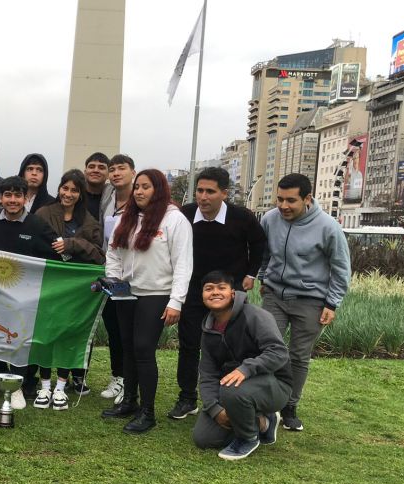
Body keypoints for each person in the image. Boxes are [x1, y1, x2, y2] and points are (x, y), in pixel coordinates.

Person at [170, 167, 266, 421]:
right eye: (199, 190)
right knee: (189, 344)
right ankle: (187, 397)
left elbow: (259, 244)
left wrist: (251, 274)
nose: (203, 197)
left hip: (229, 292)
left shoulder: (242, 217)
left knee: (231, 346)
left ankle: (229, 396)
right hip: (194, 289)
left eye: (210, 192)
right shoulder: (186, 214)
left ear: (224, 193)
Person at [102, 168, 193, 434]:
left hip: (156, 294)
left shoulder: (174, 220)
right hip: (127, 293)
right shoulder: (126, 218)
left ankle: (148, 412)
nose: (140, 192)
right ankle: (129, 401)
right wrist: (114, 280)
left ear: (159, 190)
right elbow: (114, 251)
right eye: (137, 187)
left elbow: (183, 264)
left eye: (146, 187)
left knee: (143, 349)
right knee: (128, 347)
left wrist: (176, 301)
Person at [258, 173, 351, 432]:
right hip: (275, 295)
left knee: (299, 355)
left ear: (307, 199)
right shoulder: (269, 219)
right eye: (279, 199)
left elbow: (341, 268)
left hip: (310, 300)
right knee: (268, 350)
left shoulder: (327, 226)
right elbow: (264, 253)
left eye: (291, 201)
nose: (283, 206)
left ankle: (290, 405)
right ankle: (266, 402)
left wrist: (332, 303)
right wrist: (264, 277)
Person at [0, 176, 58, 409]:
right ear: (1, 198)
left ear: (25, 198)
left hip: (24, 297)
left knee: (19, 341)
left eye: (18, 195)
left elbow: (54, 256)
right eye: (8, 195)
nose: (13, 200)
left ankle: (17, 387)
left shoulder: (37, 225)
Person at [192, 271, 292, 460]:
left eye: (221, 288)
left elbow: (278, 353)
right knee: (203, 438)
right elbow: (207, 373)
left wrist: (246, 369)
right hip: (235, 389)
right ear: (202, 295)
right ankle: (263, 422)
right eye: (208, 289)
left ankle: (248, 438)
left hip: (275, 385)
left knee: (231, 388)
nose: (215, 292)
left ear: (232, 293)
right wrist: (215, 410)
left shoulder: (255, 316)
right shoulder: (208, 328)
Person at [33, 169, 105, 409]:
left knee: (67, 334)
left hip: (76, 289)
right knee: (46, 333)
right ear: (59, 188)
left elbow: (99, 254)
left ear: (81, 193)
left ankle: (61, 386)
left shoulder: (89, 220)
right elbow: (33, 244)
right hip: (48, 285)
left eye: (75, 190)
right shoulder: (43, 213)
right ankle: (44, 386)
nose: (69, 193)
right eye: (65, 188)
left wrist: (72, 244)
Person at [95, 154, 135, 404]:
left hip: (133, 273)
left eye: (122, 168)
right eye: (113, 169)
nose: (116, 173)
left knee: (129, 330)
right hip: (111, 272)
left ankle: (130, 381)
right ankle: (117, 376)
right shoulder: (107, 197)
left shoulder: (140, 199)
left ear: (133, 171)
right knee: (113, 326)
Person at [83, 152, 111, 222]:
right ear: (85, 172)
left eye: (101, 168)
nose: (96, 170)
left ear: (108, 174)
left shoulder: (114, 198)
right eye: (91, 167)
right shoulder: (73, 195)